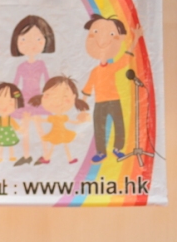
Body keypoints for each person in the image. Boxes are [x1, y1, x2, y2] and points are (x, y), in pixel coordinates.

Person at [80, 15, 142, 163]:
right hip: (100, 102)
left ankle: (117, 149)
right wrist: (82, 106)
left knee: (119, 125)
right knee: (99, 128)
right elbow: (88, 88)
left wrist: (136, 39)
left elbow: (126, 58)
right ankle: (101, 152)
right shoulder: (94, 71)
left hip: (114, 100)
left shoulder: (113, 67)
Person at [10, 15, 56, 166]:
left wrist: (46, 96)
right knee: (25, 130)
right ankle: (26, 156)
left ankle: (45, 155)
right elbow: (15, 84)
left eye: (37, 39)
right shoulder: (21, 66)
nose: (31, 45)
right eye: (24, 40)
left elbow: (47, 81)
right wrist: (18, 98)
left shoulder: (41, 64)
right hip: (25, 100)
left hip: (36, 99)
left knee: (39, 128)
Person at [29, 76, 90, 165]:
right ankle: (51, 158)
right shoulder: (55, 117)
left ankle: (67, 159)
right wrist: (36, 119)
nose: (57, 101)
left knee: (61, 146)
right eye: (50, 96)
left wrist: (80, 122)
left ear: (74, 97)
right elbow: (46, 120)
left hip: (62, 133)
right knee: (57, 146)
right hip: (56, 133)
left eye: (65, 96)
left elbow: (71, 122)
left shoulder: (63, 117)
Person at [0, 82, 25, 163]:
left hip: (9, 132)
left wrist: (20, 129)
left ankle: (11, 156)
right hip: (1, 132)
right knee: (0, 146)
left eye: (10, 101)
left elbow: (14, 124)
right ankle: (0, 157)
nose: (3, 105)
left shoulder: (10, 119)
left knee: (10, 145)